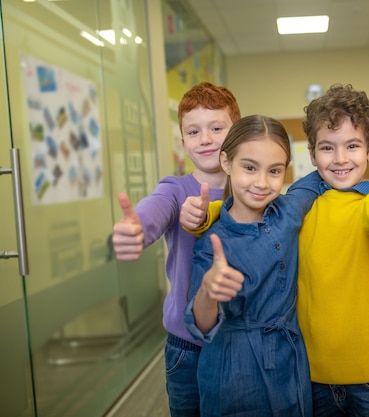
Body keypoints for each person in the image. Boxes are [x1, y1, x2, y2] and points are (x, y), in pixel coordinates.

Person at [111, 81, 241, 417]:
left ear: (236, 132)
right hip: (188, 349)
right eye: (194, 131)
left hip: (243, 344)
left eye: (216, 127)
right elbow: (154, 210)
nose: (206, 139)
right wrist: (136, 228)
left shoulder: (252, 190)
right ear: (183, 142)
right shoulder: (174, 189)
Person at [184, 114, 324, 417]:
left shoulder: (288, 211)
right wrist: (209, 289)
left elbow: (323, 174)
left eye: (274, 171)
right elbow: (200, 325)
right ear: (226, 162)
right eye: (249, 167)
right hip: (233, 372)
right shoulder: (213, 244)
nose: (262, 182)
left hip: (290, 364)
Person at [297, 83, 369, 417]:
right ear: (313, 154)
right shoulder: (299, 205)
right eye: (328, 148)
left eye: (353, 146)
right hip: (315, 376)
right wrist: (206, 216)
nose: (341, 158)